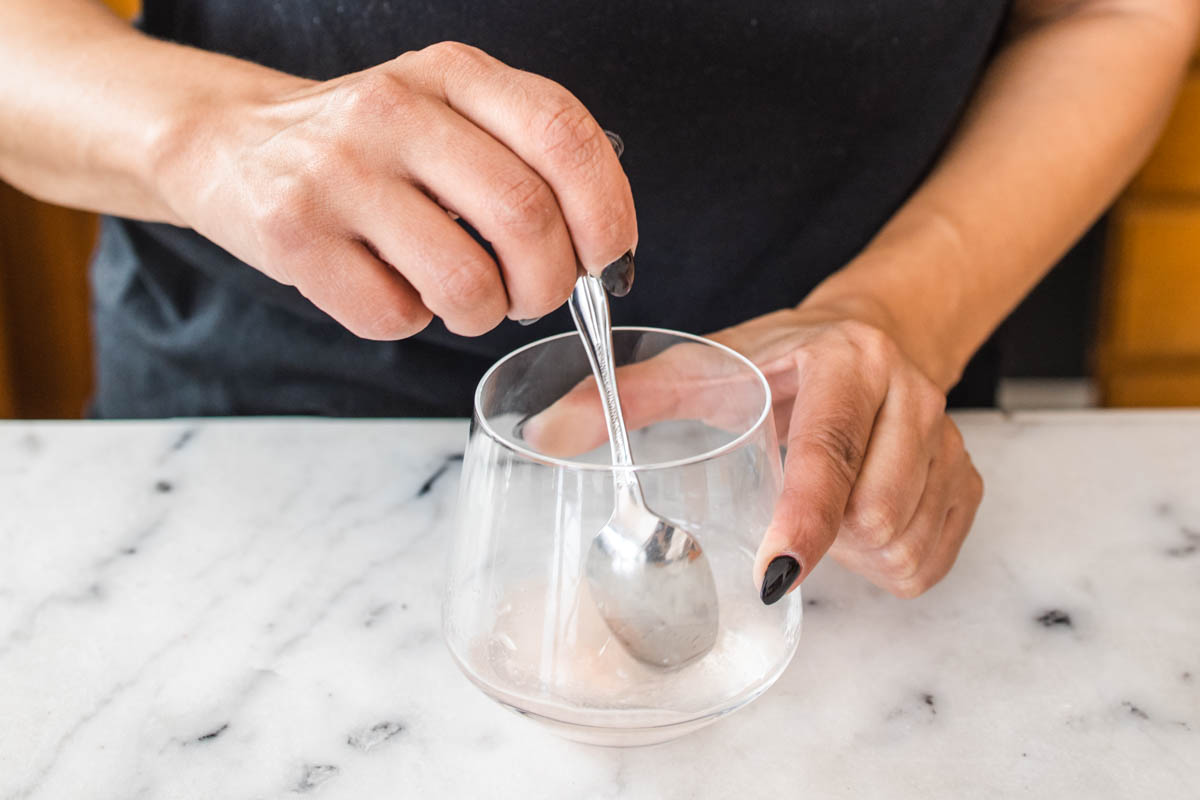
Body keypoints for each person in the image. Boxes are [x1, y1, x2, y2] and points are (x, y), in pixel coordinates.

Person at [0, 1, 1195, 604]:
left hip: (825, 448)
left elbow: (1111, 10)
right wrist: (219, 135)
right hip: (265, 458)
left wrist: (900, 309)